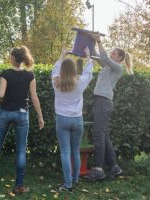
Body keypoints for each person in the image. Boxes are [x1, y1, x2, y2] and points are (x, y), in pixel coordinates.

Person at [0, 46, 44, 194]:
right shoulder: (30, 75)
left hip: (6, 113)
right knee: (21, 151)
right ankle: (19, 186)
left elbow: (1, 94)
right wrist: (40, 117)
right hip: (22, 114)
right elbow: (34, 97)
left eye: (10, 56)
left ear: (14, 58)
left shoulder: (6, 74)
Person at [84, 33, 133, 182]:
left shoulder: (117, 67)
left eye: (114, 53)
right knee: (103, 134)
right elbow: (100, 58)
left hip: (104, 102)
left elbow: (104, 57)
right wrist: (90, 47)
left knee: (98, 134)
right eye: (111, 52)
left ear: (119, 58)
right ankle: (114, 167)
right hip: (101, 101)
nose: (111, 54)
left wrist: (99, 40)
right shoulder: (108, 67)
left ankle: (98, 169)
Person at [52, 47, 93, 192]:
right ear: (74, 69)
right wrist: (88, 56)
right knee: (75, 151)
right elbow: (89, 72)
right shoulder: (80, 82)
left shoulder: (56, 82)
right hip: (77, 120)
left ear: (63, 70)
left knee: (65, 152)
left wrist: (62, 54)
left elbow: (55, 68)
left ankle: (68, 184)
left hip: (62, 120)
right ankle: (75, 179)